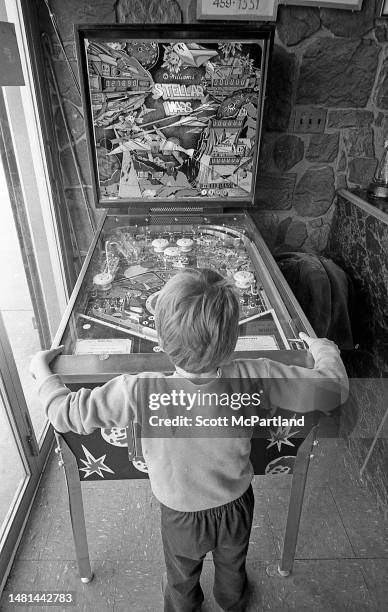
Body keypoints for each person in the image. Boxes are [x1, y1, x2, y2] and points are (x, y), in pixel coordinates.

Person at [30, 269, 349, 612]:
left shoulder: (138, 389)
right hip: (236, 505)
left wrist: (43, 372)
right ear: (231, 344)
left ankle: (184, 607)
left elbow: (66, 414)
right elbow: (332, 391)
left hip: (179, 512)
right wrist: (325, 350)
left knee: (181, 574)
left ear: (162, 342)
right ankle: (232, 600)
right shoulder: (255, 374)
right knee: (232, 564)